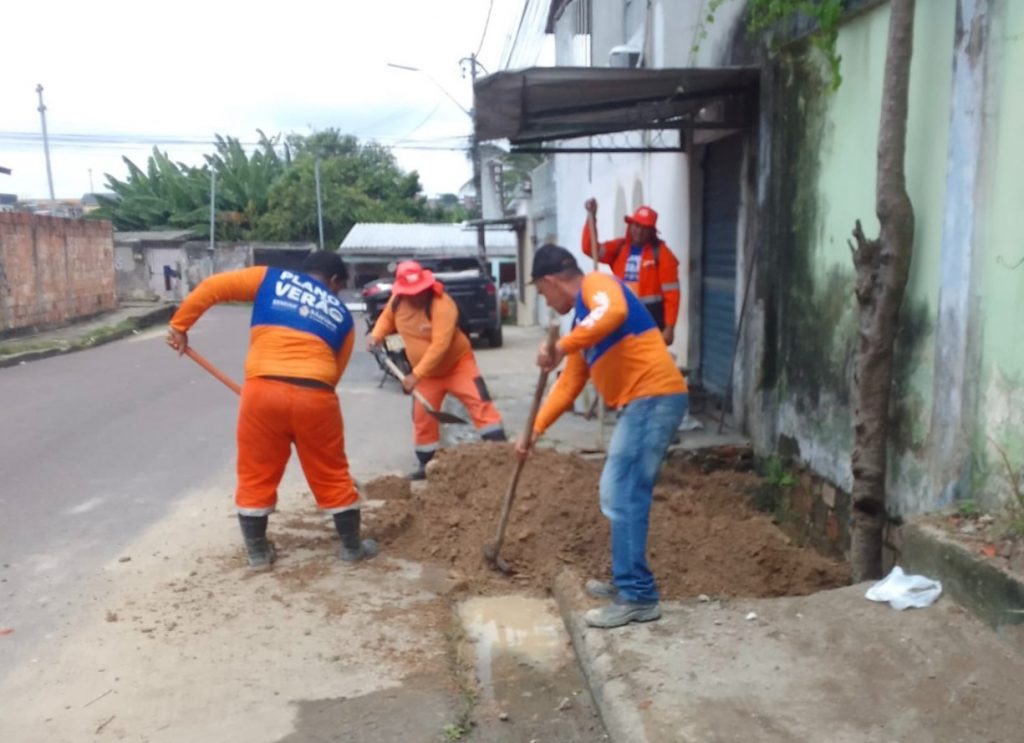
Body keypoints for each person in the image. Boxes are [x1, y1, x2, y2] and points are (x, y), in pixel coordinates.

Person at [165, 252, 377, 569]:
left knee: (256, 471)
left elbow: (211, 287)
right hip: (315, 395)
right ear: (334, 281)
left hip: (262, 391)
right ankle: (351, 548)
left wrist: (180, 326)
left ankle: (258, 554)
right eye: (339, 287)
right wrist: (302, 404)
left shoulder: (270, 278)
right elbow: (334, 374)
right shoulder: (343, 318)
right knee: (331, 472)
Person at [516, 244, 688, 629]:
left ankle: (638, 595)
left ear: (551, 281)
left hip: (654, 397)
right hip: (642, 402)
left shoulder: (598, 284)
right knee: (621, 492)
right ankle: (628, 581)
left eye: (543, 293)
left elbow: (615, 312)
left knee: (621, 491)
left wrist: (560, 346)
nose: (547, 302)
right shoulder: (583, 324)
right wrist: (533, 431)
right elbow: (568, 385)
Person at [368, 260, 506, 480]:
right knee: (422, 417)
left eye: (419, 291)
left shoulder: (442, 304)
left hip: (457, 365)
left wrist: (416, 375)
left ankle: (501, 456)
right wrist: (376, 336)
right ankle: (427, 464)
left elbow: (440, 346)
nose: (416, 296)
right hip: (426, 375)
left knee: (480, 403)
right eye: (411, 292)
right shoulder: (397, 301)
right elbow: (386, 319)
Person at [582, 198, 681, 346]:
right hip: (622, 318)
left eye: (645, 228)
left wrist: (669, 327)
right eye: (636, 225)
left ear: (652, 232)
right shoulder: (619, 248)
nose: (639, 231)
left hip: (650, 320)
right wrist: (592, 217)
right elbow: (590, 248)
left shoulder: (662, 254)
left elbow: (672, 294)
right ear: (630, 225)